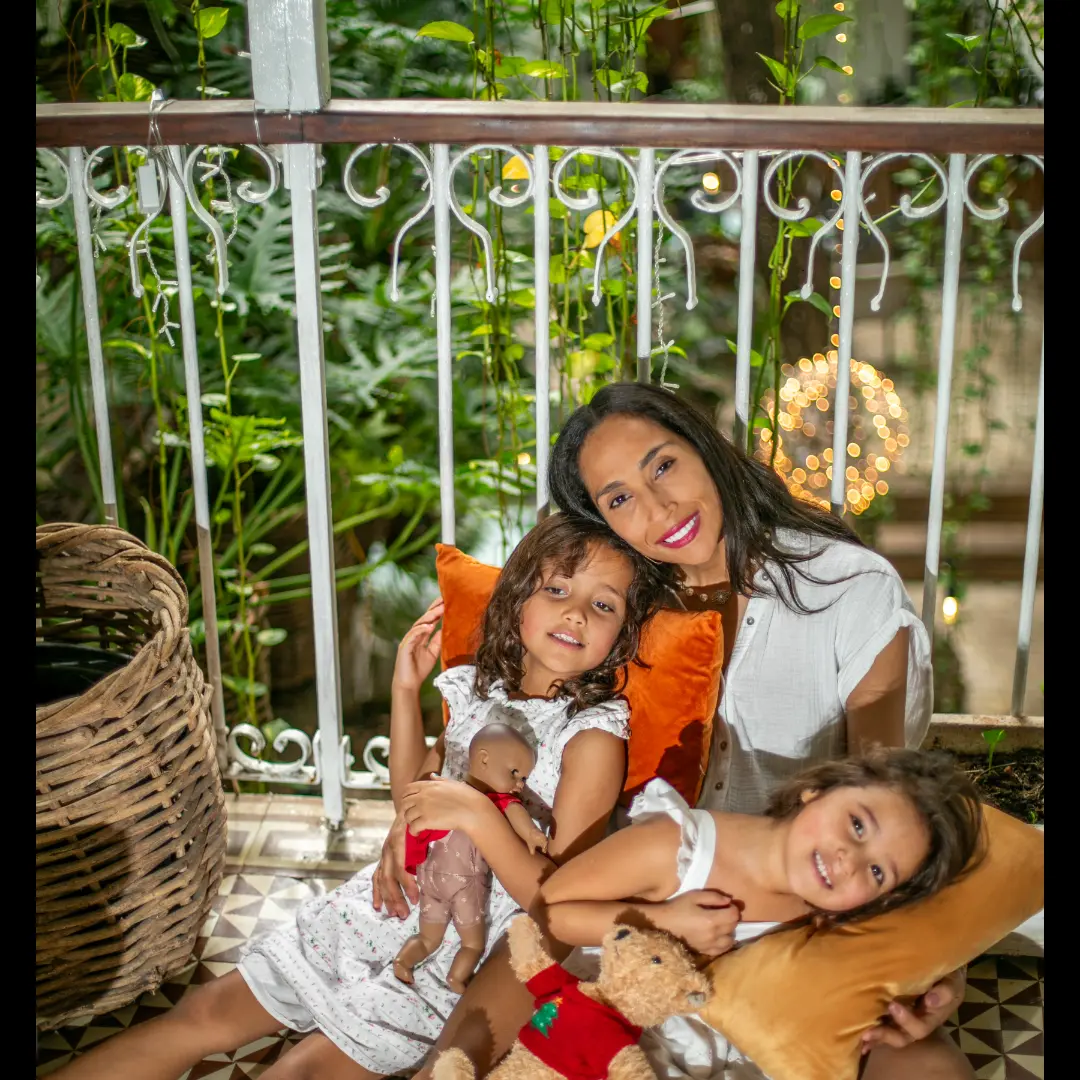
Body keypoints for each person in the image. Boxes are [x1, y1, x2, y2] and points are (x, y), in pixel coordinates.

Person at [395, 382, 972, 1080]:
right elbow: (508, 717)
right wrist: (421, 813)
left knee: (928, 1069)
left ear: (708, 447)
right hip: (623, 907)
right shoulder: (616, 604)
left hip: (793, 918)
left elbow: (889, 796)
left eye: (663, 466)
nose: (657, 508)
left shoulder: (848, 589)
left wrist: (937, 957)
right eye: (618, 499)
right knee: (455, 1060)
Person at [54, 513, 661, 1080]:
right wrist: (404, 691)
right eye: (557, 589)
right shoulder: (482, 691)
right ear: (519, 598)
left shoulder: (592, 739)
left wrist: (479, 815)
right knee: (201, 1014)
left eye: (602, 604)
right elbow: (411, 802)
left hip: (457, 944)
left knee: (298, 1071)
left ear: (623, 633)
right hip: (380, 910)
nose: (576, 613)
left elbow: (557, 904)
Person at [539, 748, 984, 1078]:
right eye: (857, 824)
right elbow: (551, 910)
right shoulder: (677, 847)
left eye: (877, 871)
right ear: (818, 789)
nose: (848, 859)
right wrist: (663, 922)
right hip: (622, 1033)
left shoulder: (831, 910)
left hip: (733, 1054)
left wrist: (948, 978)